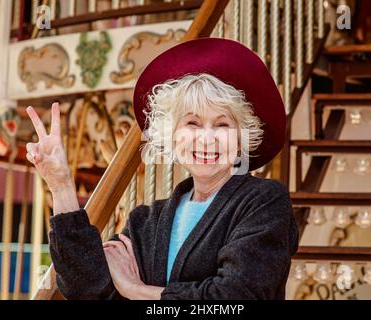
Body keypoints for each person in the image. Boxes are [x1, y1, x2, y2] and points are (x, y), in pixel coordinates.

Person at [25, 38, 299, 300]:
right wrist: (60, 185)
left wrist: (136, 290)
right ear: (172, 135)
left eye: (222, 124)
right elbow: (87, 288)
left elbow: (236, 297)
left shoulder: (264, 202)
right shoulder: (147, 220)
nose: (206, 138)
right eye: (192, 123)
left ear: (241, 138)